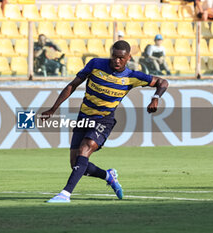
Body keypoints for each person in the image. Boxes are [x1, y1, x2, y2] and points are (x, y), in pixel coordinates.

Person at [40, 40, 168, 203]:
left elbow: (163, 82)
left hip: (104, 119)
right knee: (76, 164)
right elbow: (72, 85)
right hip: (84, 117)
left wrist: (155, 98)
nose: (117, 60)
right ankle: (108, 176)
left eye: (121, 58)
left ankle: (65, 194)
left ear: (128, 57)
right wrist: (53, 109)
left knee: (85, 148)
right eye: (114, 56)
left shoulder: (131, 77)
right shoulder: (95, 64)